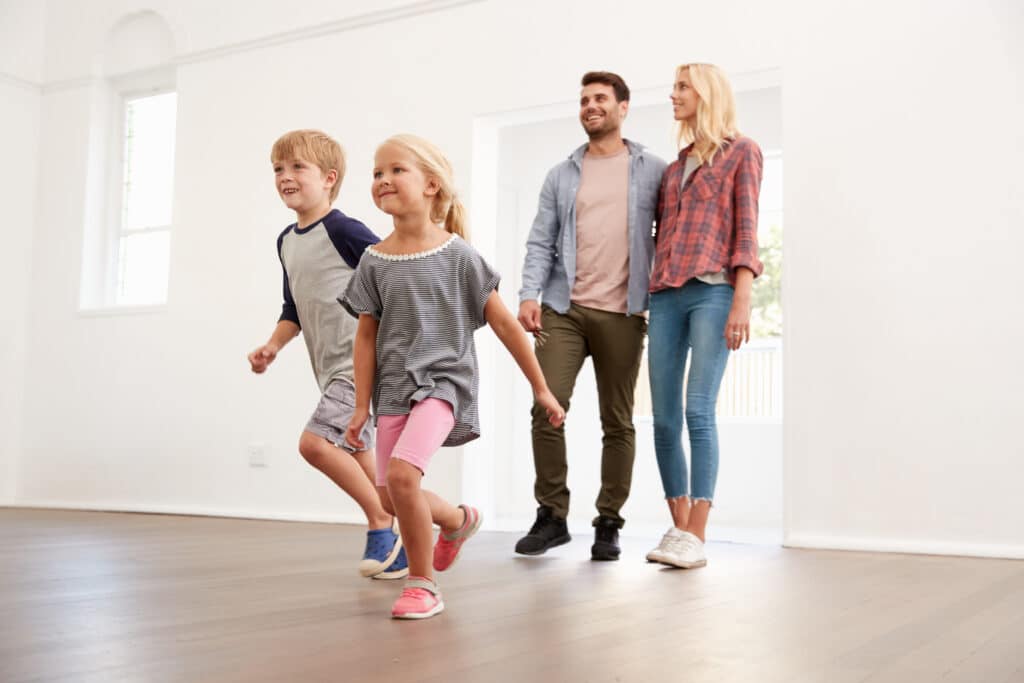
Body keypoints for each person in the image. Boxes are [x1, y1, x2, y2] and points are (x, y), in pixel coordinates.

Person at [341, 134, 564, 620]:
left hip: (445, 384)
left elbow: (505, 324)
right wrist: (361, 405)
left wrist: (541, 387)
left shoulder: (459, 256)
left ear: (431, 185)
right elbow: (364, 338)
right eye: (377, 173)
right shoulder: (374, 261)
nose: (383, 180)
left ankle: (423, 584)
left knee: (403, 475)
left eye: (396, 170)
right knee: (392, 495)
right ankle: (459, 521)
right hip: (393, 390)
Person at [515, 72, 666, 561]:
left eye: (600, 98)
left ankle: (608, 521)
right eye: (584, 99)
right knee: (547, 406)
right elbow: (541, 238)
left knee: (617, 421)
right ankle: (552, 515)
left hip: (624, 312)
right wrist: (528, 293)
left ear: (623, 107)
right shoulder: (562, 174)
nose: (590, 106)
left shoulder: (653, 170)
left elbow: (670, 236)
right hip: (564, 308)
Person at [248, 129, 407, 580]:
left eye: (298, 167)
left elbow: (391, 271)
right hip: (329, 369)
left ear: (329, 178)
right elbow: (293, 308)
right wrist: (272, 346)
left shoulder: (344, 230)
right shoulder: (287, 240)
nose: (285, 176)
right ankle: (424, 535)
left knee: (314, 444)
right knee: (361, 456)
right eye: (279, 169)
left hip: (361, 365)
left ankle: (382, 525)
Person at [645, 63, 764, 569]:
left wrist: (742, 297)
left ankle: (698, 531)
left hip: (714, 294)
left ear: (706, 93)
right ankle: (676, 527)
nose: (672, 96)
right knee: (663, 418)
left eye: (681, 87)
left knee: (698, 410)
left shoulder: (743, 152)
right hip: (666, 296)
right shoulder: (674, 169)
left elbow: (747, 228)